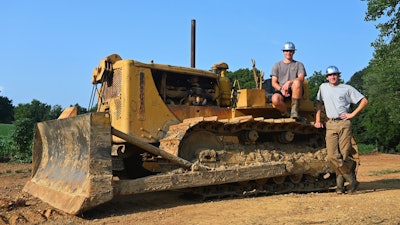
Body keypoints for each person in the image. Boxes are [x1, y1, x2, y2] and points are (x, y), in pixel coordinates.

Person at [314, 65, 368, 194]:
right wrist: (317, 120)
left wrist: (352, 114)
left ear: (339, 76)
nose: (333, 77)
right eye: (330, 75)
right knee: (332, 155)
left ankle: (340, 187)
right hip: (330, 123)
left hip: (344, 123)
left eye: (335, 75)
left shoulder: (346, 88)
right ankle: (352, 180)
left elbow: (364, 100)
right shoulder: (323, 87)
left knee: (343, 156)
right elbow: (319, 104)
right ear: (327, 77)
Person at [270, 41, 306, 119]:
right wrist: (281, 89)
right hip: (281, 90)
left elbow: (301, 78)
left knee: (297, 82)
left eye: (291, 51)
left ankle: (294, 111)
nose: (288, 53)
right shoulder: (277, 65)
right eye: (286, 51)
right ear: (283, 52)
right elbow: (273, 82)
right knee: (275, 99)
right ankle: (287, 113)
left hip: (295, 90)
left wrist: (289, 82)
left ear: (294, 52)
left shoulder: (299, 65)